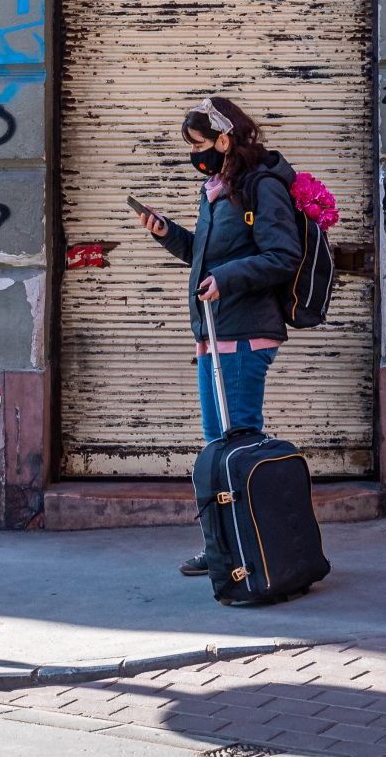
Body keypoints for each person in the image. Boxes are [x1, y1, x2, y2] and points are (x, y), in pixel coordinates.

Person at [135, 96, 302, 578]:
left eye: (200, 144)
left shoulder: (261, 186)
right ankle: (227, 547)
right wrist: (167, 233)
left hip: (246, 335)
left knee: (236, 444)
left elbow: (283, 255)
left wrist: (228, 280)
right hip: (215, 333)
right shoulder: (217, 188)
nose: (195, 154)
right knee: (217, 446)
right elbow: (205, 258)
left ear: (225, 140)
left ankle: (250, 548)